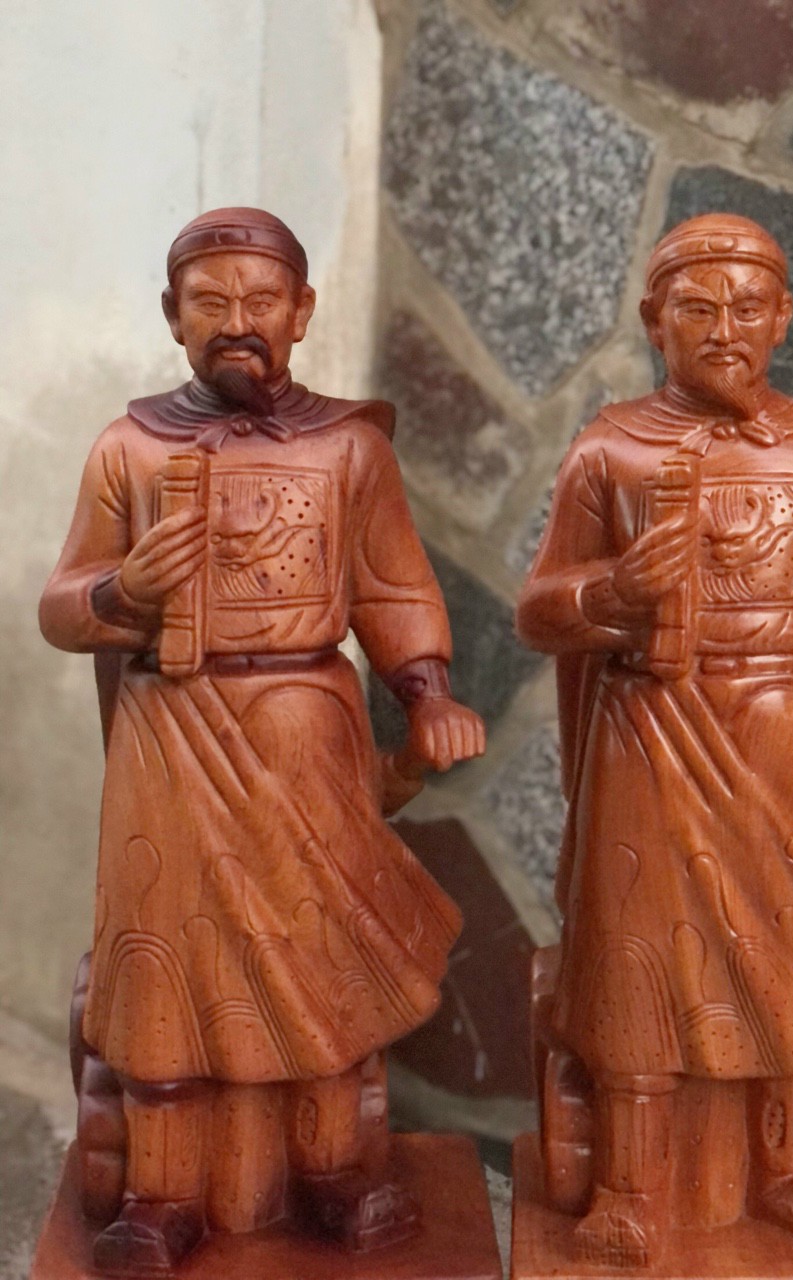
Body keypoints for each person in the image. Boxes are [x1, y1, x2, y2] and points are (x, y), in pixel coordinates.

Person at [40, 208, 484, 1274]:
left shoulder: (349, 447)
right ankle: (160, 1193)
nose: (237, 320)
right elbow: (61, 605)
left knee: (315, 958)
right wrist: (123, 590)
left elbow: (392, 587)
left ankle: (334, 1171)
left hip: (304, 734)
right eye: (210, 302)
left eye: (260, 300)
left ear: (302, 312)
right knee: (170, 969)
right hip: (172, 742)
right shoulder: (129, 447)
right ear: (172, 315)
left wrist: (425, 691)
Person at [516, 214, 793, 1267]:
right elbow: (539, 608)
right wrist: (610, 592)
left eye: (748, 307)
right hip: (648, 732)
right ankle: (630, 1187)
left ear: (784, 317)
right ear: (653, 321)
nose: (725, 328)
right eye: (698, 308)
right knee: (639, 957)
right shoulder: (609, 450)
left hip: (781, 732)